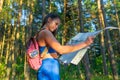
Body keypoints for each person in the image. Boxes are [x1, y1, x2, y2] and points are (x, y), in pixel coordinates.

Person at [36, 13, 94, 80]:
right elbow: (61, 50)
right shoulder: (45, 32)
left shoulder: (41, 32)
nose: (56, 27)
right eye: (56, 23)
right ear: (49, 20)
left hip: (47, 68)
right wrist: (85, 43)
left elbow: (48, 51)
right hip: (48, 68)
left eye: (58, 25)